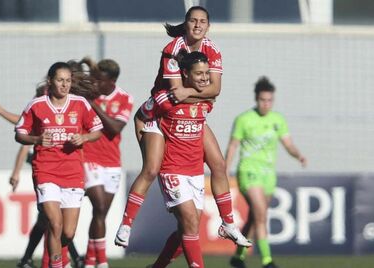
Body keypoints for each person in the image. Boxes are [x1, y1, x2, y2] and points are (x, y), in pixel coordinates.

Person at [115, 5, 251, 249]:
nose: (198, 25)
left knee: (219, 164)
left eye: (202, 21)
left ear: (208, 26)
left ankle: (228, 224)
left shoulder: (213, 49)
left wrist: (189, 91)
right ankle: (126, 224)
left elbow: (214, 89)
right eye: (193, 21)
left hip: (188, 113)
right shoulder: (173, 49)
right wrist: (199, 94)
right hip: (161, 112)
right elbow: (175, 95)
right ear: (186, 24)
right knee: (151, 168)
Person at [15, 62, 103, 268]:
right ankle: (57, 265)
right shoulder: (36, 105)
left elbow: (97, 131)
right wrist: (36, 140)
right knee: (55, 223)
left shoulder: (80, 103)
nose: (64, 85)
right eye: (60, 80)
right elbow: (20, 134)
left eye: (68, 81)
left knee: (68, 232)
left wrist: (84, 137)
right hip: (45, 172)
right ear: (50, 81)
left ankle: (57, 259)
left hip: (72, 173)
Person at [0, 85, 85, 268]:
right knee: (54, 223)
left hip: (65, 174)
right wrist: (16, 172)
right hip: (45, 173)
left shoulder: (63, 113)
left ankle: (31, 259)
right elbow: (23, 139)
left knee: (53, 224)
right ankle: (62, 260)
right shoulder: (38, 114)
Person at [225, 77, 307, 268]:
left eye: (270, 100)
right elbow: (232, 146)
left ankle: (238, 257)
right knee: (261, 214)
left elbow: (288, 144)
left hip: (268, 175)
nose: (266, 104)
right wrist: (224, 171)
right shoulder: (244, 119)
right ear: (256, 99)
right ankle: (267, 261)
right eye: (263, 100)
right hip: (248, 171)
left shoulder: (277, 119)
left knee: (256, 217)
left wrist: (299, 156)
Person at [149, 50, 213, 268]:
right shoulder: (166, 99)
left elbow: (212, 94)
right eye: (199, 74)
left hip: (195, 171)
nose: (205, 78)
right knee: (190, 222)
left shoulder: (207, 100)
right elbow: (146, 111)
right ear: (185, 74)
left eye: (207, 73)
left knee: (187, 227)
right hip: (172, 169)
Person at [81, 59, 133, 268]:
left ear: (111, 81)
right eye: (93, 79)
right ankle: (102, 262)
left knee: (100, 214)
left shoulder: (124, 98)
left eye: (99, 80)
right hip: (89, 158)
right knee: (99, 205)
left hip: (112, 162)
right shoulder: (88, 93)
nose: (95, 84)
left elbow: (115, 128)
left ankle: (88, 260)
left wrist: (94, 104)